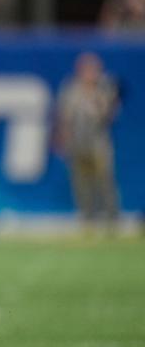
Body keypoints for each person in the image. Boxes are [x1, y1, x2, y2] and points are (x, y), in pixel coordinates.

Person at [55, 52, 120, 227]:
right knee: (82, 184)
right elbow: (64, 117)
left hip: (98, 143)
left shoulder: (104, 88)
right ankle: (87, 218)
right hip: (77, 143)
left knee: (104, 181)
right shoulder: (71, 89)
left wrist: (98, 100)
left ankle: (112, 218)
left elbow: (109, 114)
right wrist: (63, 140)